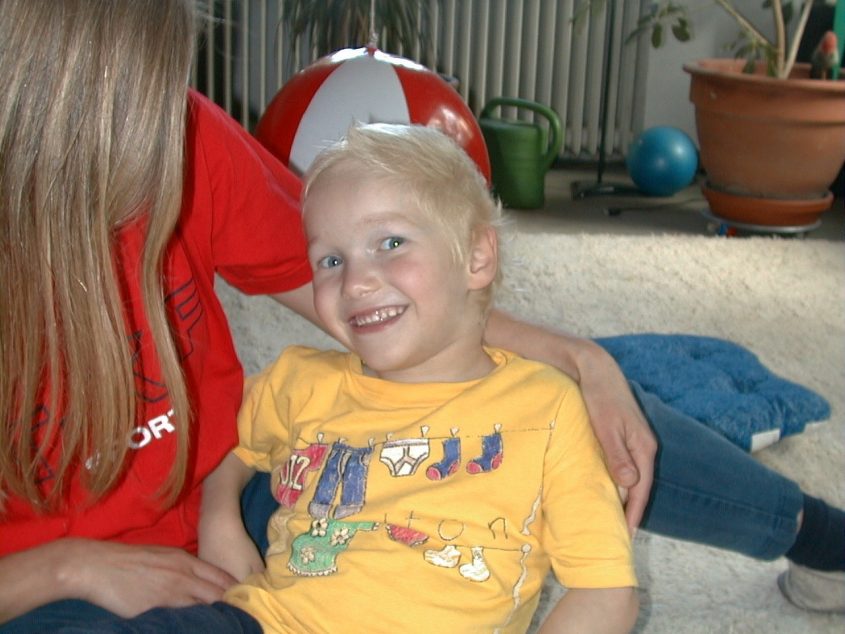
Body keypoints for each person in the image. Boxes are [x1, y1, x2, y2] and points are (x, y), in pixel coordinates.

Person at [0, 0, 841, 630]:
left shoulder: (177, 132)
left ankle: (818, 535)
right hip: (53, 588)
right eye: (136, 103)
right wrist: (64, 569)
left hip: (258, 502)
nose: (166, 127)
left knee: (506, 393)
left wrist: (579, 360)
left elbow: (385, 300)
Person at [60, 121, 641, 633]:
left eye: (391, 243)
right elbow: (230, 448)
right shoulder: (299, 380)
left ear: (476, 257)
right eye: (331, 260)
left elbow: (605, 591)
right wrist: (219, 519)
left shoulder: (546, 408)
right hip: (264, 622)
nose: (356, 281)